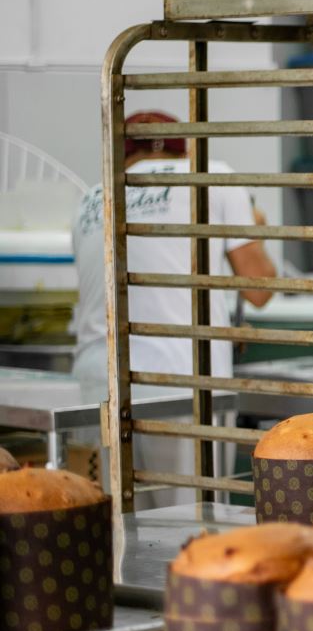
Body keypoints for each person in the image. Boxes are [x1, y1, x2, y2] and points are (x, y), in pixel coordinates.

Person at [69, 111, 279, 499]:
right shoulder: (210, 177)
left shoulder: (90, 197)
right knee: (189, 512)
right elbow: (260, 288)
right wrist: (257, 229)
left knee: (117, 515)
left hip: (98, 382)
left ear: (120, 152)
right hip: (181, 381)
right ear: (185, 152)